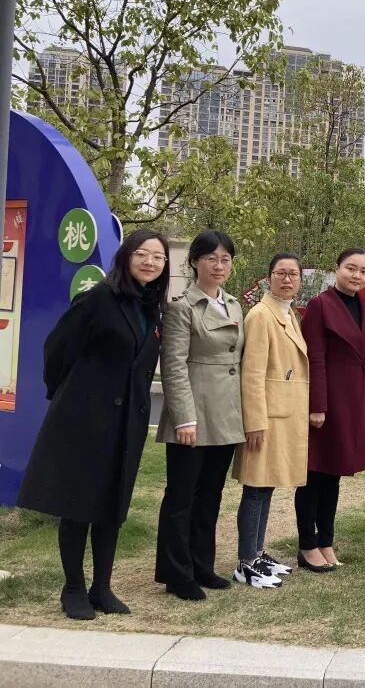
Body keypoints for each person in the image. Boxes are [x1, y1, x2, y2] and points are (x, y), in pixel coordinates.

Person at [18, 230, 169, 620]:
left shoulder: (152, 308)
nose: (150, 262)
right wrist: (69, 394)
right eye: (142, 254)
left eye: (158, 257)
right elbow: (57, 348)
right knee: (78, 504)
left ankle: (102, 586)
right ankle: (73, 588)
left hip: (126, 422)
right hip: (85, 419)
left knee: (112, 505)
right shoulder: (98, 298)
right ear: (126, 256)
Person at [154, 231, 245, 600]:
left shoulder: (234, 305)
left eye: (225, 259)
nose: (218, 266)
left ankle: (202, 565)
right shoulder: (182, 307)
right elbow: (173, 366)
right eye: (211, 258)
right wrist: (184, 418)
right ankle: (177, 574)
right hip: (193, 414)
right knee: (181, 497)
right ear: (194, 262)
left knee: (210, 494)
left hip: (225, 413)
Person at [297, 248, 365, 572]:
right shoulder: (320, 305)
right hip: (326, 402)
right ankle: (307, 545)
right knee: (314, 474)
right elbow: (313, 358)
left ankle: (326, 541)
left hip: (354, 401)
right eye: (350, 268)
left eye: (363, 271)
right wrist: (317, 405)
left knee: (334, 475)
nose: (356, 275)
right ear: (337, 269)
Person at [232, 253, 309, 588]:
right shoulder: (261, 315)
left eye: (293, 274)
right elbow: (251, 374)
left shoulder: (289, 314)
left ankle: (258, 552)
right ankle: (246, 562)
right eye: (281, 273)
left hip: (282, 416)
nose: (287, 279)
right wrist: (254, 421)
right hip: (266, 418)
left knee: (267, 486)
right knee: (255, 488)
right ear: (269, 277)